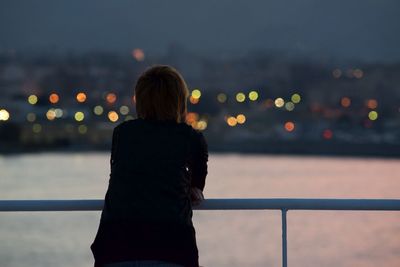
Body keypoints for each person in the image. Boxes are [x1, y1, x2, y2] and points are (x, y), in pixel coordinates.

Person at [91, 65, 208, 267]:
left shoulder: (122, 134)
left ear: (141, 99)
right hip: (171, 247)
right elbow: (198, 178)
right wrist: (193, 187)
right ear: (179, 100)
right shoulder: (190, 138)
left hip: (115, 246)